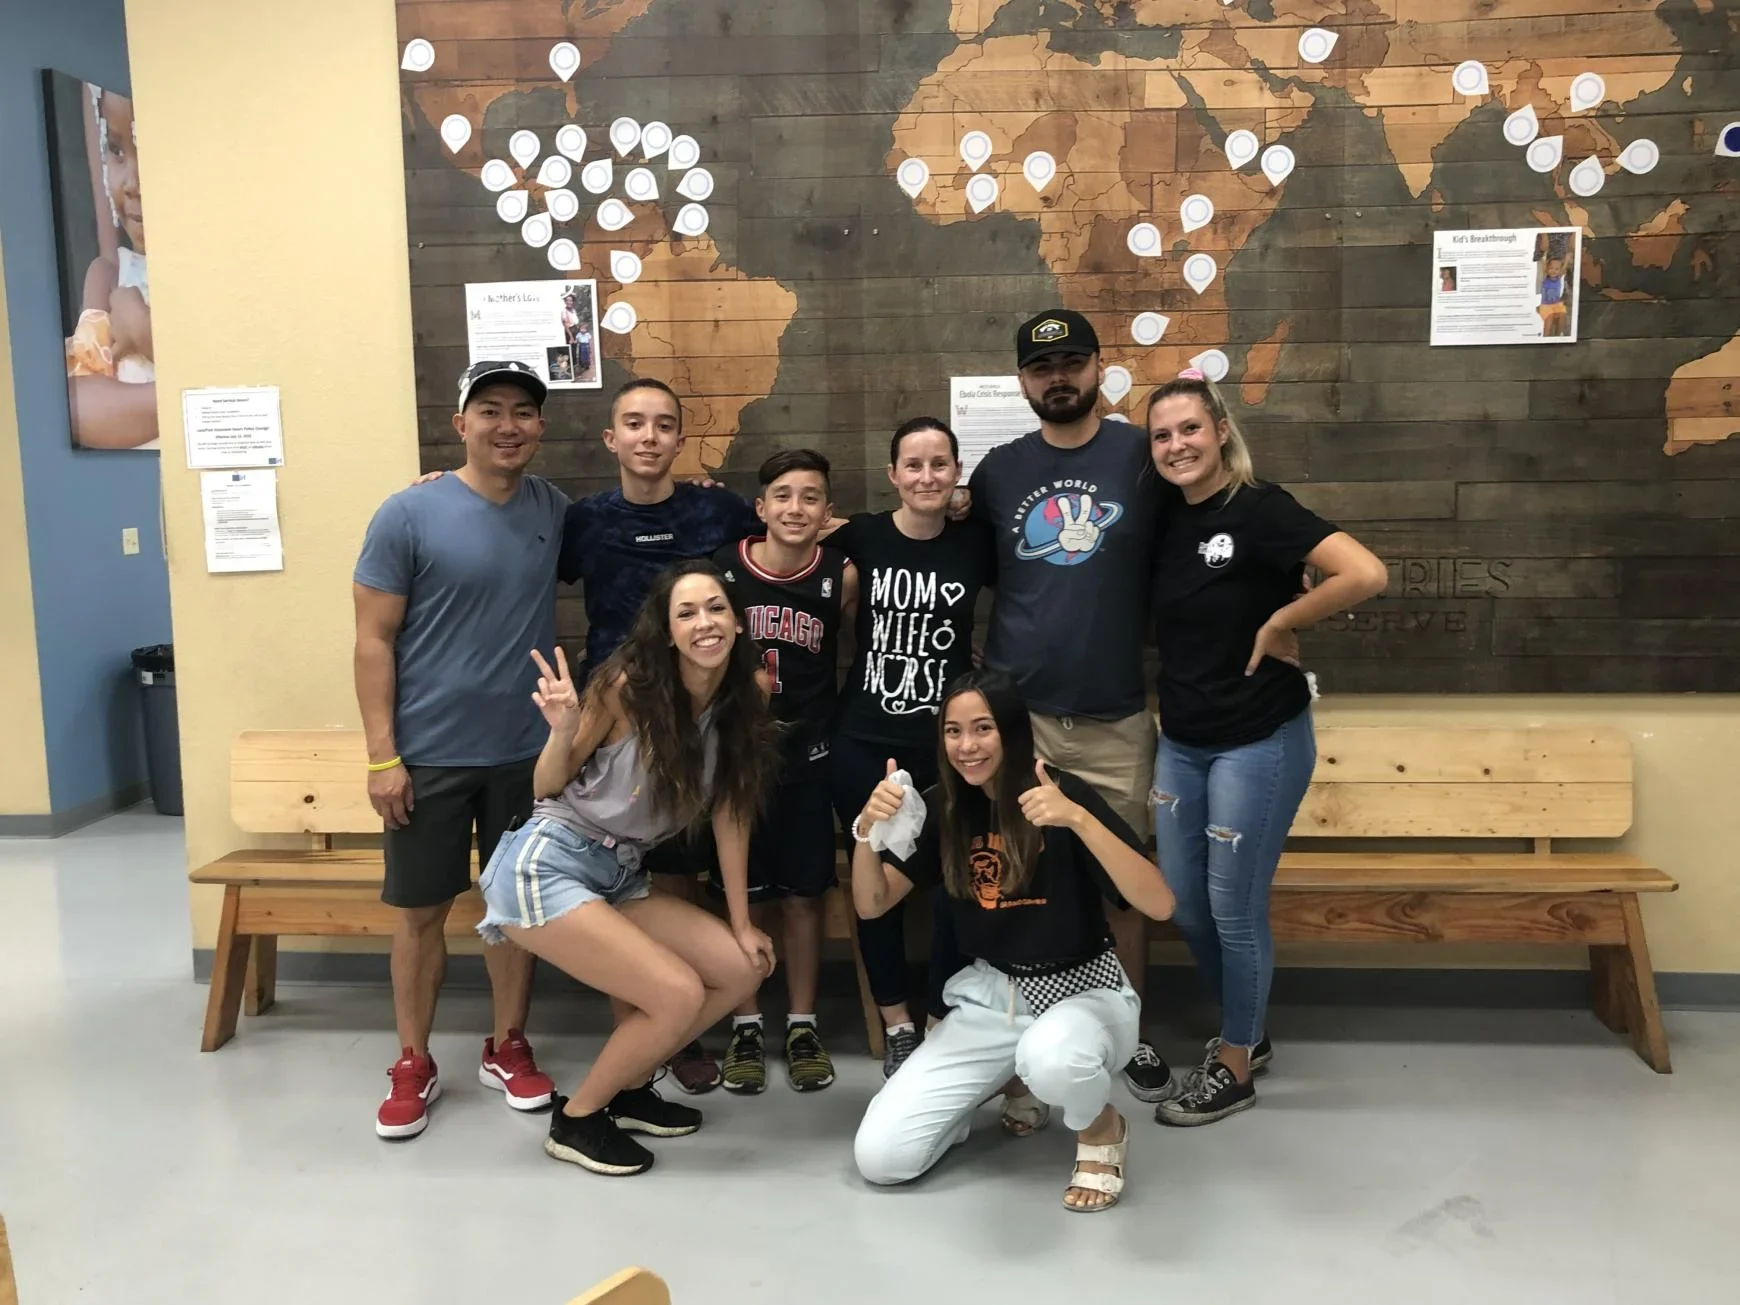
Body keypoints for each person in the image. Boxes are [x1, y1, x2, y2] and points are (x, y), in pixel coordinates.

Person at [476, 561, 780, 1176]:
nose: (705, 623)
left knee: (744, 966)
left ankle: (630, 1088)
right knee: (676, 993)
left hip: (617, 873)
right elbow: (547, 785)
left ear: (738, 622)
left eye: (716, 608)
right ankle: (581, 1118)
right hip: (548, 864)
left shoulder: (744, 695)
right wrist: (562, 731)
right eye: (687, 613)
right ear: (667, 633)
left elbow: (730, 813)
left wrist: (742, 921)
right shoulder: (625, 687)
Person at [1144, 368, 1387, 1126]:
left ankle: (1237, 1062)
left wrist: (1284, 622)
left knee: (1234, 906)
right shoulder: (1161, 515)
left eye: (1190, 428)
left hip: (1260, 738)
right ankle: (1247, 1027)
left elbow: (1365, 572)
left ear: (1220, 430)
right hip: (1182, 740)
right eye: (1161, 435)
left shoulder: (1259, 508)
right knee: (1182, 903)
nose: (1177, 444)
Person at [850, 671, 1176, 1212]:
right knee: (882, 1160)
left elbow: (1160, 904)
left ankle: (1100, 1128)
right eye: (953, 732)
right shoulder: (944, 806)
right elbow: (872, 903)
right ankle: (1008, 1082)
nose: (967, 745)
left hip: (1082, 993)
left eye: (983, 728)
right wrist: (867, 832)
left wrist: (1080, 821)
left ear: (1011, 731)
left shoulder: (1060, 792)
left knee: (1050, 1057)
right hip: (990, 1000)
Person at [968, 308, 1179, 1102]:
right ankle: (1032, 1029)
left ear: (1098, 368)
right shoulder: (997, 471)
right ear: (1023, 381)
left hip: (1116, 714)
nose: (1058, 378)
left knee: (1121, 883)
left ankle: (1127, 1032)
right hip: (1019, 718)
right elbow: (968, 564)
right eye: (1041, 369)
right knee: (1024, 876)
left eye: (1072, 363)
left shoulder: (1141, 455)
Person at [353, 360, 567, 1139]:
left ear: (540, 428)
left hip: (523, 755)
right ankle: (412, 1059)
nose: (507, 425)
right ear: (461, 422)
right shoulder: (407, 514)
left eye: (522, 412)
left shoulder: (552, 508)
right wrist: (383, 756)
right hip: (430, 756)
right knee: (419, 914)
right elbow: (372, 641)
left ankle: (507, 1044)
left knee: (511, 912)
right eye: (490, 410)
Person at [558, 377, 765, 1092]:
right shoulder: (582, 521)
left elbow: (793, 530)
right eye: (635, 424)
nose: (650, 436)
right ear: (611, 438)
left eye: (665, 424)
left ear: (681, 439)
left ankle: (685, 1024)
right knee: (638, 885)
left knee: (695, 874)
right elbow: (516, 538)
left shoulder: (718, 508)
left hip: (705, 719)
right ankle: (643, 1045)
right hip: (618, 732)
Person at [826, 417, 994, 1077]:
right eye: (913, 465)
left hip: (948, 751)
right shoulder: (860, 535)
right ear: (893, 474)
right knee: (873, 884)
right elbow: (778, 543)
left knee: (958, 884)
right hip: (864, 743)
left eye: (939, 464)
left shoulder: (977, 544)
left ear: (956, 474)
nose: (926, 476)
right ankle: (896, 1022)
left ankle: (940, 1018)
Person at [711, 449, 858, 1093]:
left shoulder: (841, 576)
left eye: (811, 497)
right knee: (740, 898)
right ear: (761, 507)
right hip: (738, 763)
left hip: (809, 757)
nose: (796, 508)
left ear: (828, 512)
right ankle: (745, 1022)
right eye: (784, 496)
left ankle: (802, 1023)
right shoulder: (723, 571)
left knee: (803, 896)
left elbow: (861, 646)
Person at [65, 83, 157, 450]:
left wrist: (146, 335)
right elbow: (77, 411)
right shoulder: (109, 278)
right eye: (116, 150)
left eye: (148, 153)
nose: (132, 184)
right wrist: (197, 399)